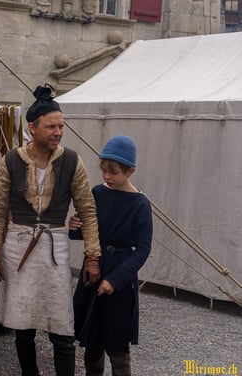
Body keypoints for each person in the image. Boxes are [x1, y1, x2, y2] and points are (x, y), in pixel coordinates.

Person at [0, 85, 101, 376]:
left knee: (62, 327)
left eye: (61, 126)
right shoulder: (12, 160)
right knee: (23, 324)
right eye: (51, 127)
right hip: (18, 245)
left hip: (54, 247)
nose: (58, 132)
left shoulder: (71, 161)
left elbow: (87, 210)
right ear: (32, 128)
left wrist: (92, 256)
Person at [69, 135, 153, 376]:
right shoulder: (97, 193)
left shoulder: (140, 204)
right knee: (92, 335)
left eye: (113, 172)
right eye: (104, 170)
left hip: (120, 274)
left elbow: (143, 250)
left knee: (116, 339)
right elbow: (87, 233)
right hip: (94, 266)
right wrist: (74, 227)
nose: (107, 176)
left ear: (130, 171)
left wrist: (115, 280)